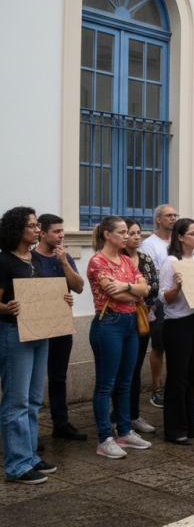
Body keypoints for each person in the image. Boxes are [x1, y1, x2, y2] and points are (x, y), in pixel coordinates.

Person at [0, 207, 72, 484]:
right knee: (15, 402)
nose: (37, 230)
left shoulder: (34, 259)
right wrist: (7, 308)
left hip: (39, 334)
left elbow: (41, 296)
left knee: (31, 400)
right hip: (14, 336)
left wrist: (60, 301)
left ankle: (29, 456)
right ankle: (16, 465)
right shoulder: (4, 261)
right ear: (18, 230)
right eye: (32, 226)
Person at [86, 216, 152, 458]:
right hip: (109, 325)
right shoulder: (97, 261)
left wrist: (125, 286)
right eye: (122, 232)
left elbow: (145, 289)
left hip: (131, 324)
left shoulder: (125, 259)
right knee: (106, 385)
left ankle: (124, 432)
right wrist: (132, 289)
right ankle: (104, 438)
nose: (127, 236)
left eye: (128, 232)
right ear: (107, 235)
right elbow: (116, 295)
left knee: (125, 383)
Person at [31, 214, 87, 441]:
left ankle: (61, 424)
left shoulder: (63, 256)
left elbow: (79, 288)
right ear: (42, 233)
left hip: (61, 324)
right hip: (35, 325)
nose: (61, 235)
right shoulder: (29, 257)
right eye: (56, 231)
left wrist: (64, 261)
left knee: (58, 377)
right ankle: (30, 433)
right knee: (31, 381)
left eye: (62, 231)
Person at [158, 219, 194, 444]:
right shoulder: (171, 263)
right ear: (180, 237)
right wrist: (177, 286)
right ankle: (175, 429)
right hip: (178, 324)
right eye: (192, 233)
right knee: (179, 378)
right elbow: (164, 299)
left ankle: (191, 424)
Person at [111, 219, 158, 435]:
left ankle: (133, 415)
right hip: (120, 319)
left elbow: (151, 289)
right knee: (119, 371)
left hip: (142, 319)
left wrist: (138, 293)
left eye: (139, 233)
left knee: (135, 369)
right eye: (131, 233)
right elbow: (115, 292)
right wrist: (137, 292)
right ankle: (116, 417)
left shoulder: (146, 260)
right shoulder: (115, 260)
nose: (137, 237)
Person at [140, 204, 178, 409]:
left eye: (175, 215)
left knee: (175, 344)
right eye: (168, 215)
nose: (173, 218)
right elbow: (152, 273)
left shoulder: (178, 241)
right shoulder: (149, 244)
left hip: (180, 299)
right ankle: (156, 388)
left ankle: (174, 385)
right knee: (159, 345)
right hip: (160, 300)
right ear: (158, 219)